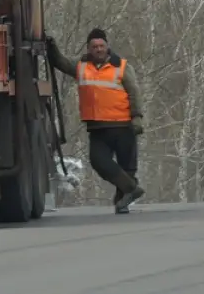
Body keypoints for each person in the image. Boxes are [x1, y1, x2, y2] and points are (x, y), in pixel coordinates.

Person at [46, 27, 145, 214]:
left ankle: (122, 201)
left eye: (101, 46)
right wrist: (53, 49)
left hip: (123, 125)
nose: (98, 49)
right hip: (98, 127)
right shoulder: (82, 66)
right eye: (94, 46)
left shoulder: (122, 67)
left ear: (107, 47)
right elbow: (61, 63)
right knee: (99, 162)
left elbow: (134, 93)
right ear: (88, 49)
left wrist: (137, 117)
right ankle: (132, 189)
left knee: (127, 167)